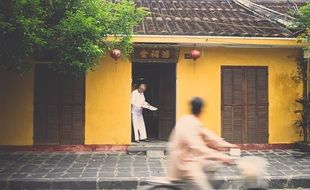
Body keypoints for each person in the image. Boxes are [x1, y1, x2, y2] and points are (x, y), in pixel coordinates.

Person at [167, 97, 237, 190]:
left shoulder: (190, 120)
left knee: (214, 165)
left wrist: (227, 145)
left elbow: (208, 135)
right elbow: (198, 147)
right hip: (184, 165)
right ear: (201, 110)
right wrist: (221, 156)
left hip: (192, 159)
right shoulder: (188, 124)